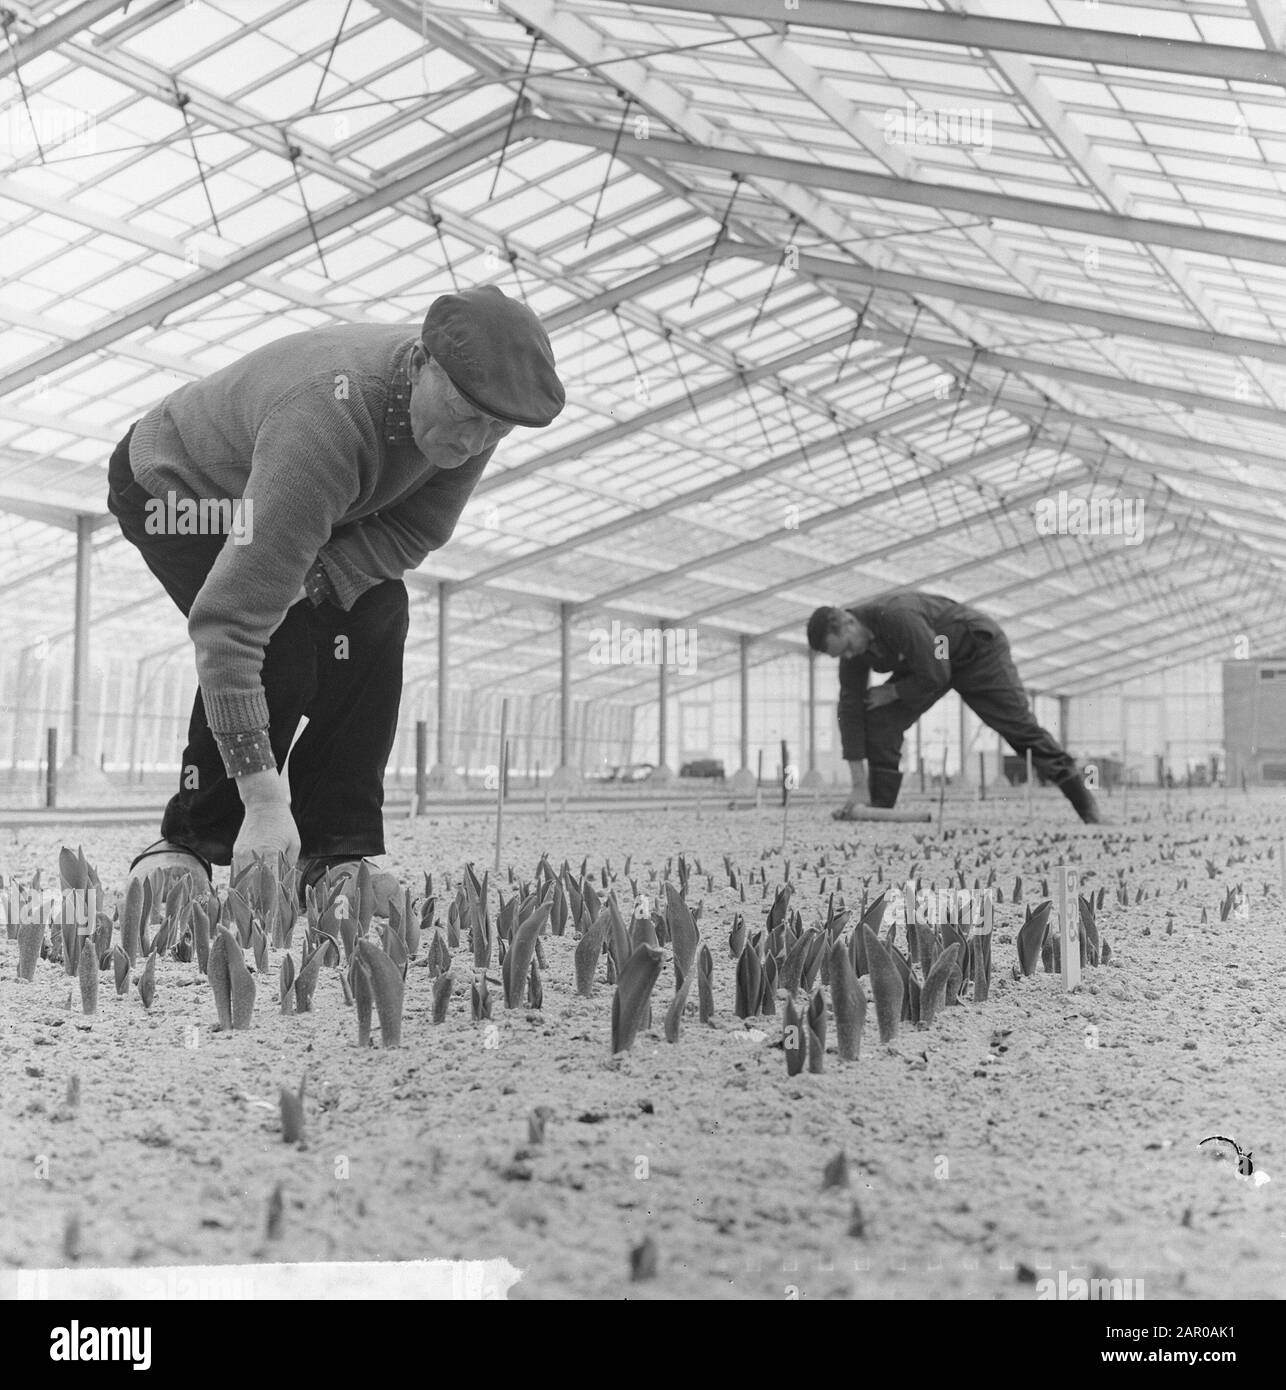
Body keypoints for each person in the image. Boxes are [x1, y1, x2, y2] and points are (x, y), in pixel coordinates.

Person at [108, 286, 565, 902]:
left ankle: (332, 854)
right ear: (422, 362)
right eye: (463, 414)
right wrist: (264, 798)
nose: (472, 442)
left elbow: (415, 528)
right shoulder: (328, 418)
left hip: (314, 506)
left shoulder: (474, 417)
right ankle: (188, 843)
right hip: (183, 491)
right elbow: (231, 625)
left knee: (378, 615)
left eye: (496, 427)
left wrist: (320, 580)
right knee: (284, 647)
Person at [806, 592, 1101, 823]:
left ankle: (1086, 806)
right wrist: (858, 784)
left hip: (974, 650)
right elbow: (850, 709)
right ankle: (879, 807)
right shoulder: (853, 651)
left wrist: (895, 690)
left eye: (846, 647)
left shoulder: (896, 615)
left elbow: (937, 672)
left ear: (848, 621)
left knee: (1018, 727)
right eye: (840, 654)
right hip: (931, 664)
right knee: (879, 716)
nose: (848, 655)